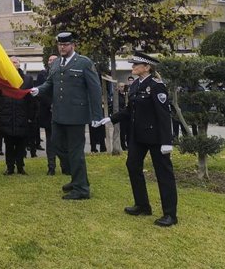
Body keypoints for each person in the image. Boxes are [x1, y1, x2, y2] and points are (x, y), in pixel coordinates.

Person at [105, 52, 178, 227]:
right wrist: (111, 119)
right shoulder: (136, 84)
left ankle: (170, 214)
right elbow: (130, 110)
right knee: (132, 166)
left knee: (163, 174)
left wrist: (167, 141)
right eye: (133, 64)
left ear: (147, 67)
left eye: (136, 64)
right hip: (138, 136)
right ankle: (143, 205)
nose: (133, 67)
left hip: (156, 137)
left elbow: (163, 115)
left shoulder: (156, 86)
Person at [31, 32, 103, 200]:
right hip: (58, 115)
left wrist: (96, 116)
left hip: (76, 116)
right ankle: (78, 179)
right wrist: (38, 90)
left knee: (76, 152)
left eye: (65, 45)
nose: (62, 47)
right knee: (56, 145)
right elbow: (49, 83)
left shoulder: (84, 63)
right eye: (60, 45)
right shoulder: (55, 63)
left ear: (73, 45)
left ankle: (81, 188)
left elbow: (95, 89)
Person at [37, 55, 66, 175]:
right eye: (49, 60)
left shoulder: (64, 73)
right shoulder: (42, 75)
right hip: (48, 113)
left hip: (63, 112)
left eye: (53, 60)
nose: (51, 61)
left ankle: (65, 166)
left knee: (63, 141)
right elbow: (41, 92)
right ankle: (51, 167)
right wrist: (51, 104)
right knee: (50, 141)